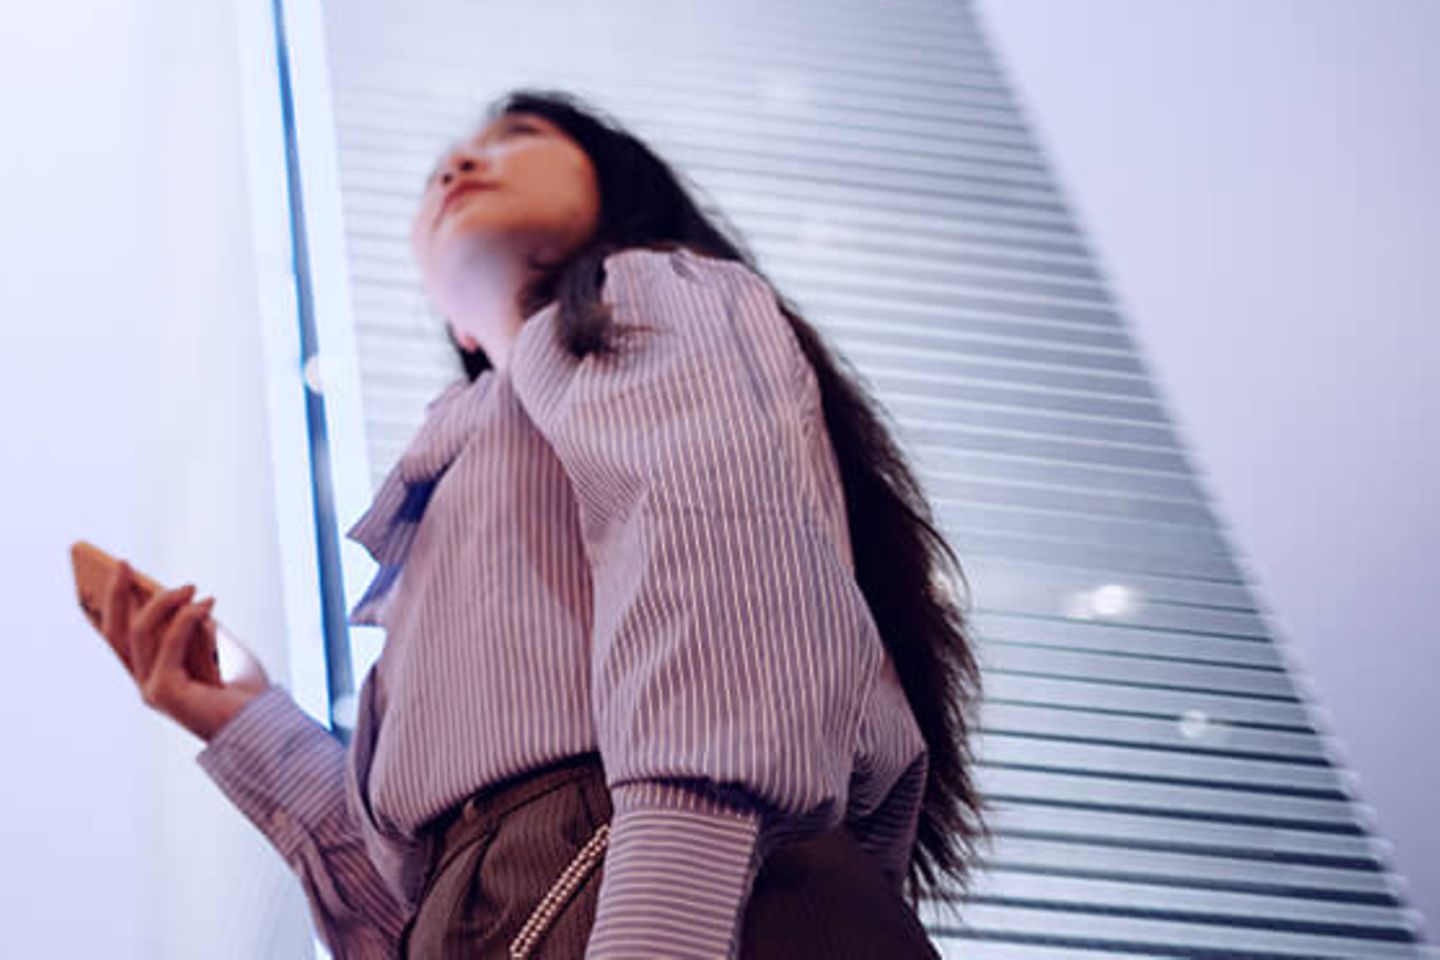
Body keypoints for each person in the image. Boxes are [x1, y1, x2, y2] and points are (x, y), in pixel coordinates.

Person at [97, 87, 990, 958]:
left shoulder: (644, 294)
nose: (459, 161)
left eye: (518, 133)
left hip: (675, 887)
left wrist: (662, 926)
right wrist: (241, 718)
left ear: (619, 190)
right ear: (461, 328)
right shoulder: (453, 473)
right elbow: (416, 909)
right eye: (440, 170)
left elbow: (721, 577)